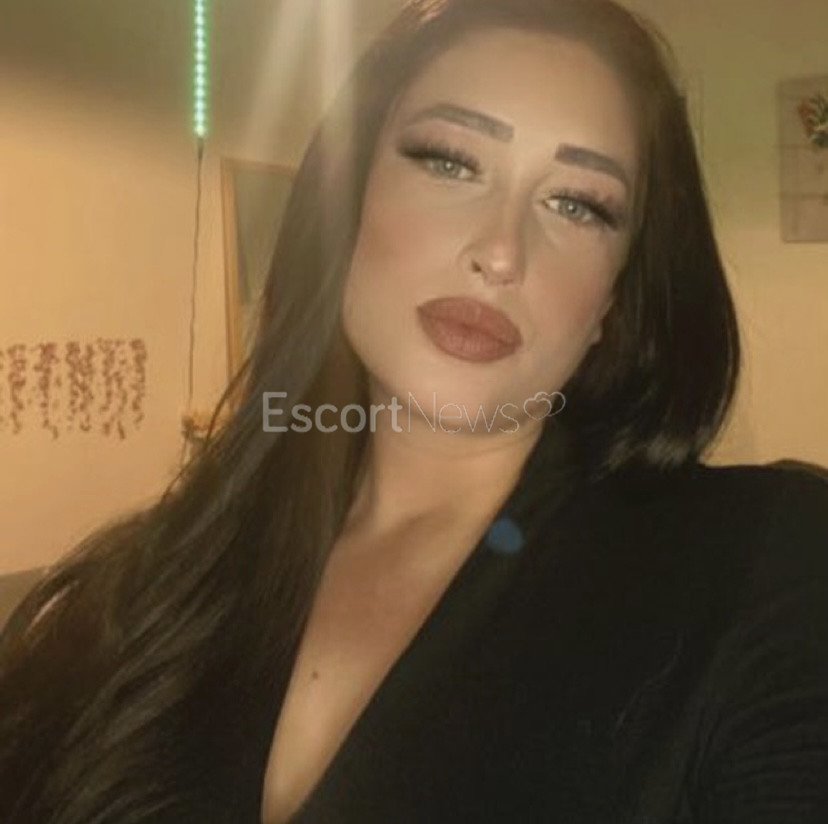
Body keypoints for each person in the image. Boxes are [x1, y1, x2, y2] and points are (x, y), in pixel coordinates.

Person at [2, 0, 827, 821]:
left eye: (578, 204)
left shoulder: (763, 565)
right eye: (449, 161)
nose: (500, 253)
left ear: (612, 301)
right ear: (346, 200)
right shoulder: (142, 588)